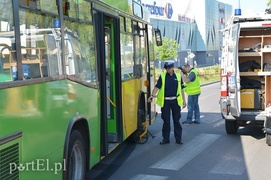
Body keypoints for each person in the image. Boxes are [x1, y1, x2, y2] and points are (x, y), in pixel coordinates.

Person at [148, 61, 186, 145]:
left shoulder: (178, 77)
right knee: (166, 121)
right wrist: (152, 96)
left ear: (172, 68)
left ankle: (178, 139)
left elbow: (182, 89)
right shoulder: (163, 76)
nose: (167, 70)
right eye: (166, 68)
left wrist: (184, 101)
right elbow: (157, 87)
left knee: (176, 120)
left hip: (175, 101)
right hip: (166, 102)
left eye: (168, 68)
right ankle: (166, 139)